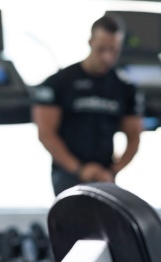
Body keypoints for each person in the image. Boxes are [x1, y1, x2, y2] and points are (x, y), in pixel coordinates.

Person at [32, 14, 142, 196]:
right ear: (90, 42)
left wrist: (114, 169)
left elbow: (134, 136)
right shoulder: (59, 82)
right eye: (101, 49)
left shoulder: (124, 88)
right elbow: (46, 134)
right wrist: (79, 169)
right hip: (67, 172)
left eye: (113, 51)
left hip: (105, 175)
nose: (106, 57)